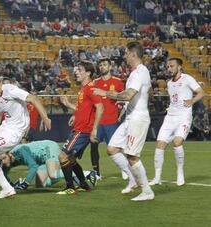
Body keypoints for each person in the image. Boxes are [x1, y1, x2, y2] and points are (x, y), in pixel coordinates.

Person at [93, 41, 155, 201]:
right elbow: (149, 91)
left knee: (132, 156)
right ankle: (133, 179)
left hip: (137, 119)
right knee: (112, 149)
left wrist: (105, 93)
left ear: (133, 54)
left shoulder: (139, 73)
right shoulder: (139, 73)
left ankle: (147, 191)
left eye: (127, 53)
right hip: (130, 117)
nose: (125, 56)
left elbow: (128, 95)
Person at [149, 58, 205, 186]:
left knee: (177, 142)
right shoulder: (169, 83)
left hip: (184, 117)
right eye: (168, 66)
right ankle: (157, 177)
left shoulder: (187, 78)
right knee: (159, 144)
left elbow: (201, 92)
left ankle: (180, 172)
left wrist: (192, 101)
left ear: (179, 67)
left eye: (172, 66)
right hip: (170, 117)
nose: (169, 69)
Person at [58, 61, 104, 195]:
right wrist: (71, 109)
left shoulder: (90, 88)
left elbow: (100, 107)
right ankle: (83, 184)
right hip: (79, 128)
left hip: (83, 130)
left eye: (80, 70)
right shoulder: (84, 89)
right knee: (71, 160)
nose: (76, 72)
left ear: (88, 73)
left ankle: (70, 187)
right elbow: (82, 109)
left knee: (62, 157)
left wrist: (95, 129)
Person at [88, 57, 124, 180]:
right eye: (100, 65)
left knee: (115, 148)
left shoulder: (118, 82)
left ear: (110, 67)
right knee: (93, 146)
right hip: (97, 122)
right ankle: (96, 173)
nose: (102, 67)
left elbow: (122, 99)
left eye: (104, 64)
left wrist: (120, 110)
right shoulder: (94, 83)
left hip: (111, 121)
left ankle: (124, 169)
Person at [0, 140, 64, 189]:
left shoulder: (20, 150)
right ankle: (64, 173)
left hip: (49, 148)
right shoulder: (7, 160)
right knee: (40, 184)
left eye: (4, 158)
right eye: (1, 160)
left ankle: (72, 172)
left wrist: (26, 182)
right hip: (41, 159)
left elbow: (33, 166)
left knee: (53, 174)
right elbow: (3, 173)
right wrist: (11, 185)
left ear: (9, 154)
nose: (3, 162)